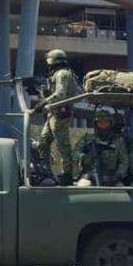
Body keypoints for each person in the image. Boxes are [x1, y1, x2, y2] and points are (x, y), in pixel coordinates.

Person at [34, 49, 80, 185]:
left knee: (62, 145)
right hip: (54, 113)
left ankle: (68, 174)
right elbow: (52, 93)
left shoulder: (62, 74)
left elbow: (60, 94)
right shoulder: (57, 74)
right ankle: (45, 170)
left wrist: (43, 102)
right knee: (43, 143)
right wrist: (38, 91)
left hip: (60, 113)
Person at [73, 110, 128, 186]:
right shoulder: (87, 139)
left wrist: (118, 175)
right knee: (83, 186)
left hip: (111, 176)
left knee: (121, 190)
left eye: (106, 122)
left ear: (110, 123)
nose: (103, 125)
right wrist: (85, 157)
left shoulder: (118, 141)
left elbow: (124, 161)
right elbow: (75, 153)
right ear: (96, 124)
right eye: (100, 123)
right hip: (89, 174)